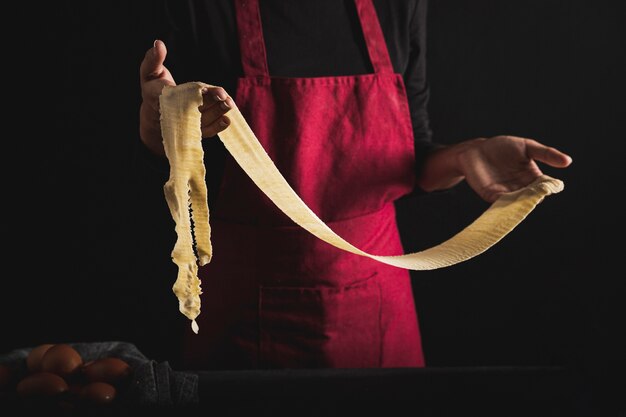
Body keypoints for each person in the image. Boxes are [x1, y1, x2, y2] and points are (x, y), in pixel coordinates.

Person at [138, 0, 572, 369]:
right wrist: (163, 125)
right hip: (244, 309)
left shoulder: (396, 5)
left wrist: (466, 154)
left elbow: (414, 155)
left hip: (377, 300)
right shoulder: (199, 7)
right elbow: (173, 142)